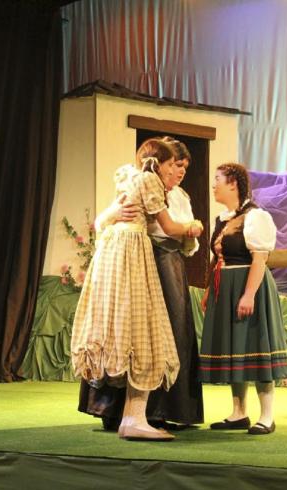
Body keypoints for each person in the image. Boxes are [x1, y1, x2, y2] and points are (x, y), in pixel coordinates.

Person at [71, 138, 203, 441]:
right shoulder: (146, 180)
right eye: (173, 165)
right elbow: (168, 227)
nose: (176, 171)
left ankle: (143, 414)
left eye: (182, 167)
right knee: (144, 332)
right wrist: (193, 227)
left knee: (137, 332)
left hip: (132, 254)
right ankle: (128, 415)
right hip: (136, 255)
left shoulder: (151, 185)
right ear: (159, 162)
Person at [199, 162, 287, 434]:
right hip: (225, 287)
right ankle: (239, 413)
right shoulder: (222, 219)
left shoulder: (255, 217)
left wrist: (249, 294)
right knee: (235, 348)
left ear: (233, 184)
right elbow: (217, 259)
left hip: (250, 285)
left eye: (218, 179)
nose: (213, 184)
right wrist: (209, 290)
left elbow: (260, 259)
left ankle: (267, 416)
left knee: (256, 346)